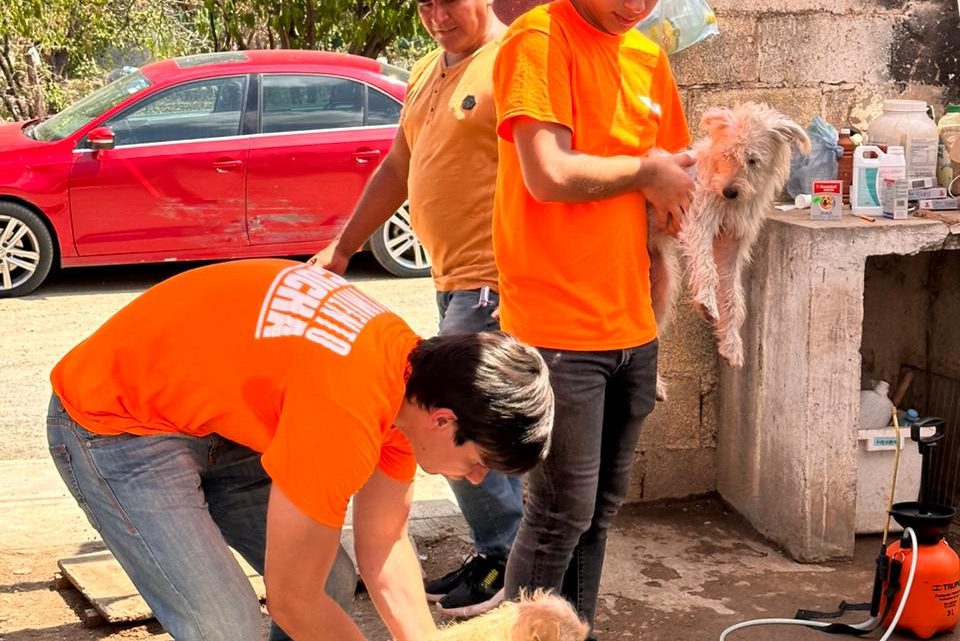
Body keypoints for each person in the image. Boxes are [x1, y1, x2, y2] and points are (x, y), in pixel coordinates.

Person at [47, 258, 554, 641]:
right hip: (114, 424)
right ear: (445, 420)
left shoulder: (410, 381)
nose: (476, 479)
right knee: (229, 628)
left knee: (330, 581)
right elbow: (290, 601)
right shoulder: (346, 409)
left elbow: (383, 543)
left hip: (220, 422)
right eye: (479, 462)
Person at [309, 0, 522, 618]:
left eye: (448, 1)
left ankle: (509, 557)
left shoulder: (512, 61)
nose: (436, 15)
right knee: (462, 416)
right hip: (452, 274)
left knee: (440, 413)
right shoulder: (432, 67)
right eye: (423, 3)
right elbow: (401, 166)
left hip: (495, 278)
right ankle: (497, 548)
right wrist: (344, 245)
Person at [490, 0, 696, 635]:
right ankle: (512, 636)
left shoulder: (647, 56)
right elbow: (547, 174)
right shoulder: (541, 37)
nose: (635, 6)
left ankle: (574, 631)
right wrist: (646, 172)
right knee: (557, 517)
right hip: (558, 328)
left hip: (634, 324)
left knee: (598, 513)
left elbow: (678, 181)